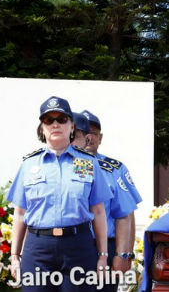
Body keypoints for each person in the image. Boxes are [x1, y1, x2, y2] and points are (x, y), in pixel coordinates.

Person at [7, 96, 112, 292]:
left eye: (62, 119)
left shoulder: (89, 163)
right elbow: (20, 213)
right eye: (49, 120)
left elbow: (98, 212)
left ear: (72, 126)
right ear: (42, 128)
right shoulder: (29, 164)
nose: (55, 124)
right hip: (37, 248)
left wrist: (103, 256)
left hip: (78, 246)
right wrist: (14, 256)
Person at [82, 109, 141, 289]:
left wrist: (124, 255)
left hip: (107, 247)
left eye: (93, 133)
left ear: (100, 138)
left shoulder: (115, 169)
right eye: (83, 133)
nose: (88, 137)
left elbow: (126, 214)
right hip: (73, 244)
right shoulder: (63, 165)